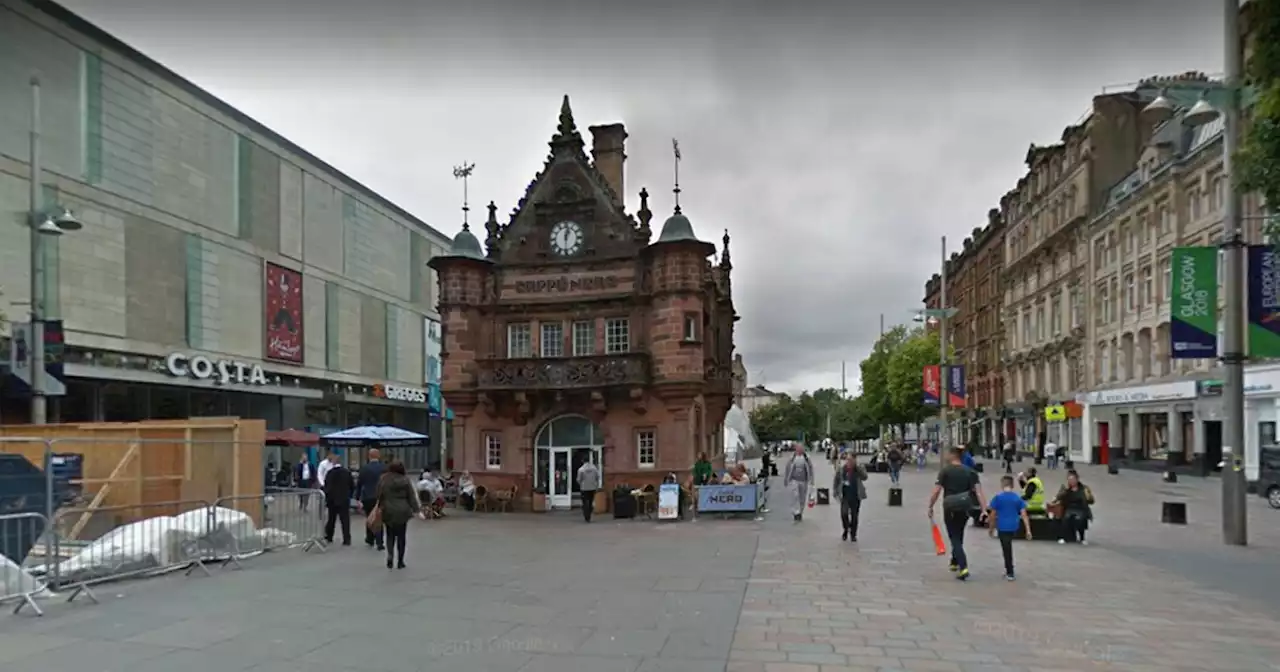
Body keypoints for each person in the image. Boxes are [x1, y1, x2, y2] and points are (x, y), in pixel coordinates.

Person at [928, 447, 987, 581]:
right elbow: (978, 492)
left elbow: (936, 491)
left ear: (953, 455)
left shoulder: (945, 471)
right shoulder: (970, 472)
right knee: (959, 532)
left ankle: (963, 565)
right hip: (965, 505)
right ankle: (954, 561)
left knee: (954, 536)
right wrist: (984, 509)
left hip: (950, 506)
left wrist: (930, 505)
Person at [375, 461, 423, 569]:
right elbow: (411, 496)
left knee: (390, 535)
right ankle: (400, 561)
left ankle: (390, 556)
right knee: (401, 536)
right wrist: (417, 511)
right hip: (403, 510)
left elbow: (378, 494)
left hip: (388, 510)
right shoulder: (405, 480)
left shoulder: (384, 479)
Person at [988, 475, 1033, 581]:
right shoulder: (1017, 498)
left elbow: (993, 515)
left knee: (1006, 548)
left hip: (1002, 526)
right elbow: (1024, 514)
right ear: (1012, 485)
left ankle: (1010, 571)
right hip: (1014, 526)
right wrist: (1028, 530)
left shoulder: (998, 498)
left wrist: (991, 528)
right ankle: (1008, 568)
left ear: (1002, 484)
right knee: (1007, 547)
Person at [1051, 469, 1095, 544]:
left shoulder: (1084, 488)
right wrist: (1063, 493)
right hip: (1069, 508)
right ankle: (1063, 537)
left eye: (1073, 480)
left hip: (1080, 508)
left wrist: (1089, 497)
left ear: (1077, 479)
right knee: (1066, 518)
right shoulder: (1065, 488)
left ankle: (1082, 538)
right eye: (1069, 480)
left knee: (1080, 519)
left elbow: (1091, 501)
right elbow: (1057, 497)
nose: (1071, 482)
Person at [355, 448, 387, 550]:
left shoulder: (364, 468)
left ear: (369, 456)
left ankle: (370, 538)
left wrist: (357, 498)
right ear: (378, 456)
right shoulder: (384, 468)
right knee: (379, 518)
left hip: (367, 496)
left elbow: (359, 484)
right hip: (380, 497)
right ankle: (379, 541)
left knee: (369, 517)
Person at [833, 453, 868, 542]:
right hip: (845, 495)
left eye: (851, 460)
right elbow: (836, 480)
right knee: (844, 514)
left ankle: (853, 534)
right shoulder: (842, 469)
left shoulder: (859, 468)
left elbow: (865, 477)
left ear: (855, 460)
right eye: (847, 460)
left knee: (854, 516)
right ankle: (846, 529)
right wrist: (835, 492)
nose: (849, 462)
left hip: (856, 495)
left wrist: (857, 468)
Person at [321, 456, 355, 546]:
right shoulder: (347, 472)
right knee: (345, 520)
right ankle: (347, 539)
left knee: (331, 519)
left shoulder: (330, 473)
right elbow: (352, 485)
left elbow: (326, 486)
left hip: (332, 500)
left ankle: (329, 536)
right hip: (344, 499)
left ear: (333, 463)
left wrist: (327, 497)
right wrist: (349, 495)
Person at [783, 444, 815, 522]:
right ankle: (795, 511)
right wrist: (786, 479)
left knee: (802, 497)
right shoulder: (792, 458)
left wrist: (812, 480)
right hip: (794, 480)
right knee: (795, 496)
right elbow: (787, 469)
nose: (800, 450)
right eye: (798, 448)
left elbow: (811, 469)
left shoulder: (807, 458)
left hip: (803, 480)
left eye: (801, 448)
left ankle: (800, 511)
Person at [576, 457, 602, 522]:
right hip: (592, 488)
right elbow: (597, 477)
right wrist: (596, 484)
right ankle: (589, 513)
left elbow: (579, 479)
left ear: (583, 461)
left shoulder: (581, 469)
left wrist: (580, 484)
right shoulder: (594, 468)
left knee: (584, 502)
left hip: (584, 488)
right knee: (590, 501)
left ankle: (586, 516)